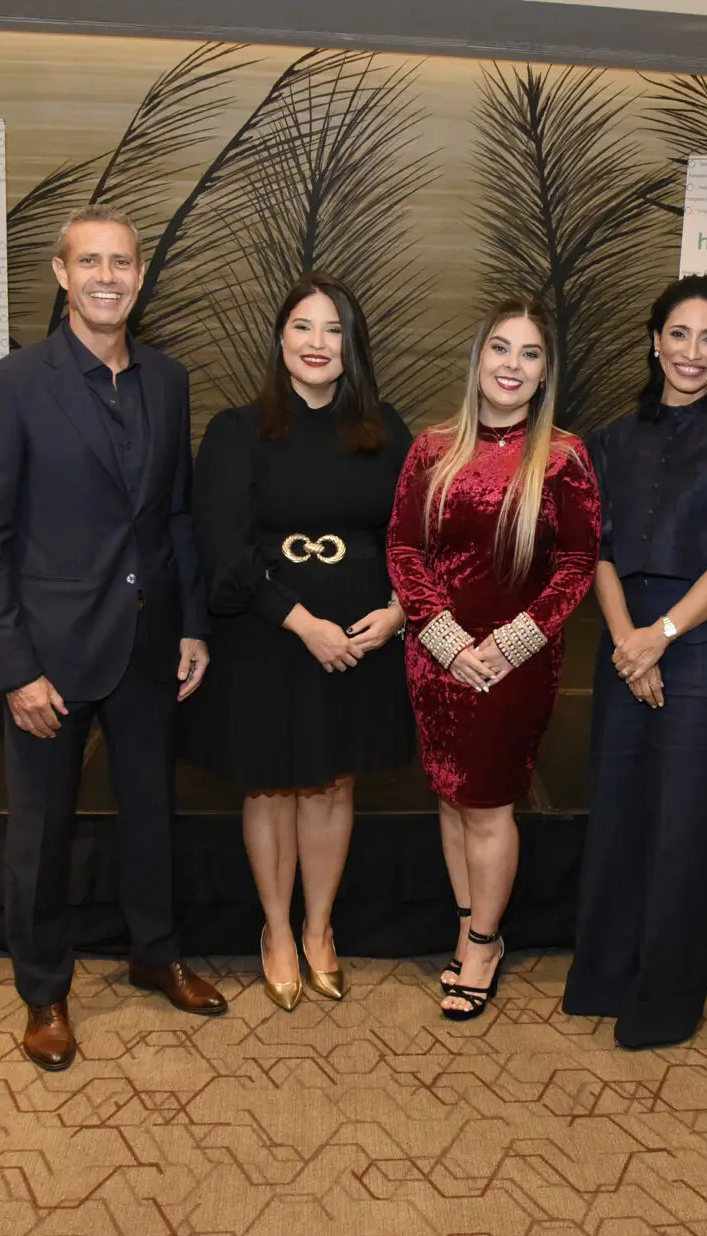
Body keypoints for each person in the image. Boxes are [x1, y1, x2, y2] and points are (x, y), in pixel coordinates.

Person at [0, 204, 228, 1073]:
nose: (107, 276)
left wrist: (192, 622)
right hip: (49, 653)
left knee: (152, 811)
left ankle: (156, 952)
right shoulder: (10, 385)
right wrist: (13, 668)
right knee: (39, 832)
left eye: (122, 262)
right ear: (61, 274)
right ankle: (44, 990)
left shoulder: (169, 379)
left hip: (150, 643)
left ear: (141, 276)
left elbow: (177, 515)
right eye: (90, 262)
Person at [186, 273, 414, 1010]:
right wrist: (303, 623)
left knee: (332, 783)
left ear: (353, 347)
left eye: (334, 330)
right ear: (280, 339)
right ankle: (277, 930)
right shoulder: (235, 430)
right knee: (272, 785)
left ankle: (320, 930)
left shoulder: (388, 430)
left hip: (360, 639)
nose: (318, 344)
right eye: (303, 328)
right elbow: (223, 548)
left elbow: (416, 539)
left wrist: (399, 610)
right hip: (268, 636)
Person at [564, 275, 707, 1050]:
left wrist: (663, 635)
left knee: (685, 825)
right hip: (625, 645)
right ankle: (605, 976)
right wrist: (628, 641)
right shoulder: (610, 440)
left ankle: (665, 997)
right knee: (618, 812)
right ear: (655, 340)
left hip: (702, 643)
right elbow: (599, 550)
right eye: (679, 334)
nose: (692, 352)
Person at [385, 298, 600, 1021]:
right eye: (500, 349)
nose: (512, 365)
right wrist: (444, 639)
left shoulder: (565, 458)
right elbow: (404, 550)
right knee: (450, 798)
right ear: (477, 360)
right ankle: (464, 919)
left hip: (516, 664)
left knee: (487, 804)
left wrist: (506, 645)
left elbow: (577, 564)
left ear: (545, 374)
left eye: (530, 354)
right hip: (436, 658)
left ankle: (484, 940)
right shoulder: (431, 448)